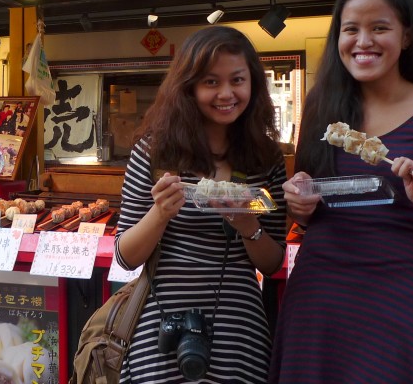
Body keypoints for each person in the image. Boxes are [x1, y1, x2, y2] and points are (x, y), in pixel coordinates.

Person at [269, 0, 413, 383]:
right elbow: (308, 209)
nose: (363, 41)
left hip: (403, 304)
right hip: (320, 298)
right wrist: (300, 204)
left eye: (379, 28)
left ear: (405, 36)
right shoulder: (320, 107)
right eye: (350, 29)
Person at [114, 26, 287, 383]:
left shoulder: (266, 157)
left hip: (238, 329)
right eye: (211, 82)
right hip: (162, 323)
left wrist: (248, 225)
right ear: (189, 87)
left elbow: (272, 263)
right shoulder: (154, 152)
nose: (226, 93)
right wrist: (159, 214)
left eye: (237, 80)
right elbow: (126, 256)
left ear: (252, 84)